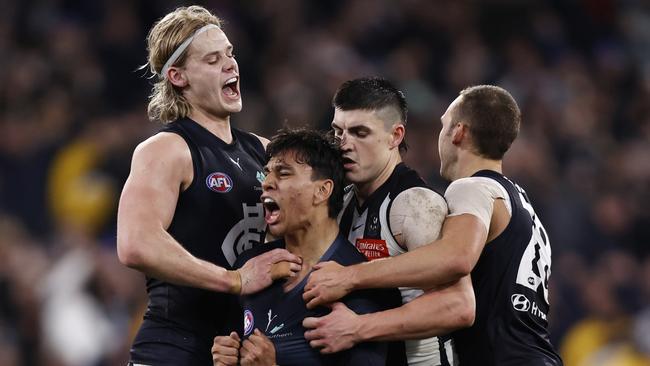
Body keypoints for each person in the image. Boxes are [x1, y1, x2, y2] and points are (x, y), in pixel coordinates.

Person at [303, 85, 563, 365]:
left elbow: (455, 260)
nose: (343, 143)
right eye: (338, 132)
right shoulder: (517, 199)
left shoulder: (470, 189)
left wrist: (350, 280)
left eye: (443, 126)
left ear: (458, 132)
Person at [116, 6, 300, 365]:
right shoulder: (167, 149)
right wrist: (234, 280)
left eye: (230, 55)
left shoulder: (263, 150)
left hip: (239, 349)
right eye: (213, 60)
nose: (231, 66)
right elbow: (134, 243)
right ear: (178, 76)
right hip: (174, 347)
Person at [312, 77, 475, 365]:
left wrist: (358, 328)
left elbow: (458, 306)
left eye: (360, 132)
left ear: (395, 136)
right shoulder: (343, 201)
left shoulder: (416, 205)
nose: (344, 145)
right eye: (338, 132)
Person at [212, 128, 404, 366]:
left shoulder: (362, 286)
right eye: (266, 174)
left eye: (283, 173)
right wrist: (226, 356)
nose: (267, 183)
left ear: (322, 191)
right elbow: (232, 341)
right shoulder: (250, 265)